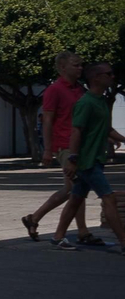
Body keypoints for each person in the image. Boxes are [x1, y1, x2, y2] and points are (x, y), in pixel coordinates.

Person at [21, 51, 99, 244]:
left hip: (80, 145)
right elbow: (47, 120)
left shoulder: (80, 89)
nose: (80, 68)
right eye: (76, 65)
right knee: (77, 189)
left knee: (68, 190)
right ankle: (83, 232)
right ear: (62, 67)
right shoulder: (54, 90)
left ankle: (34, 218)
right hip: (64, 145)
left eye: (81, 65)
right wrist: (47, 149)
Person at [51, 62, 125, 251]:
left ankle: (58, 237)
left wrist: (122, 139)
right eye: (109, 74)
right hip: (87, 162)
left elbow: (106, 129)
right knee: (109, 199)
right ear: (96, 78)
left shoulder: (100, 101)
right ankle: (124, 242)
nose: (112, 77)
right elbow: (76, 131)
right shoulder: (85, 103)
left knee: (76, 198)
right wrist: (73, 159)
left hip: (95, 160)